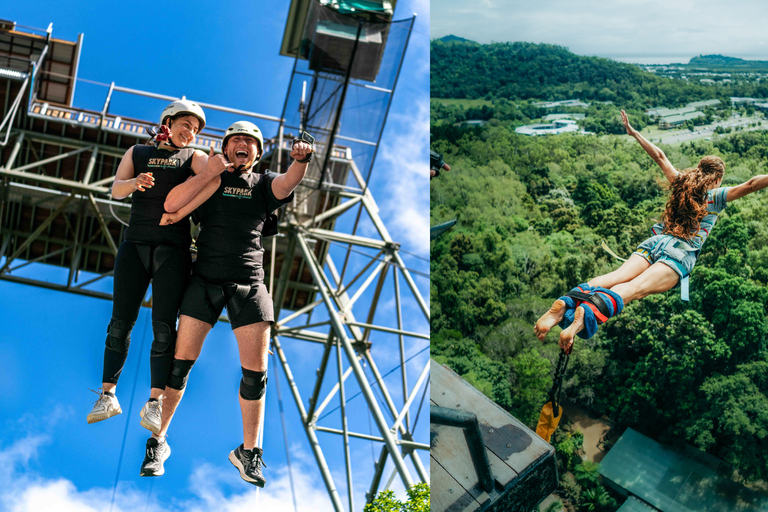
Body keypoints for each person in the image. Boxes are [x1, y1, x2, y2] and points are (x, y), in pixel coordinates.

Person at [137, 121, 313, 485]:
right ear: (226, 148)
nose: (242, 145)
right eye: (235, 141)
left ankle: (248, 453)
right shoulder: (212, 179)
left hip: (249, 284)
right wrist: (206, 171)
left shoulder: (264, 184)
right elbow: (176, 201)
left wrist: (301, 161)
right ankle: (158, 442)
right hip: (204, 281)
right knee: (179, 365)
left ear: (258, 153)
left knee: (255, 373)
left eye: (249, 142)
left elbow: (287, 182)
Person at [535, 110, 768, 353]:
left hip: (655, 242)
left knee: (611, 278)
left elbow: (660, 155)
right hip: (679, 255)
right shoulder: (715, 196)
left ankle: (567, 303)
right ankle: (580, 319)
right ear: (718, 178)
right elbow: (751, 184)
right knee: (632, 290)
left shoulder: (680, 182)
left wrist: (634, 132)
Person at [86, 100, 229, 435]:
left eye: (195, 128)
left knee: (164, 327)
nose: (190, 131)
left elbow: (214, 182)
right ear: (168, 121)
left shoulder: (195, 157)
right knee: (120, 322)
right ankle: (108, 395)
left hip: (173, 250)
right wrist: (135, 182)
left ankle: (155, 402)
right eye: (185, 124)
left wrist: (179, 214)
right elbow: (116, 191)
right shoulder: (136, 152)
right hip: (134, 245)